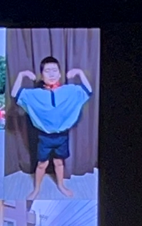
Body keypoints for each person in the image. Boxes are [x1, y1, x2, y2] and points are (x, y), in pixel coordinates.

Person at [10, 57, 93, 199]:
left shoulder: (69, 91)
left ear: (60, 74)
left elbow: (88, 91)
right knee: (41, 164)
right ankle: (37, 189)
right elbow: (15, 94)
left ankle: (61, 185)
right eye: (47, 71)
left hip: (62, 136)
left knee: (59, 162)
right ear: (42, 76)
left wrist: (79, 73)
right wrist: (22, 75)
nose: (51, 74)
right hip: (44, 136)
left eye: (54, 70)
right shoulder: (35, 94)